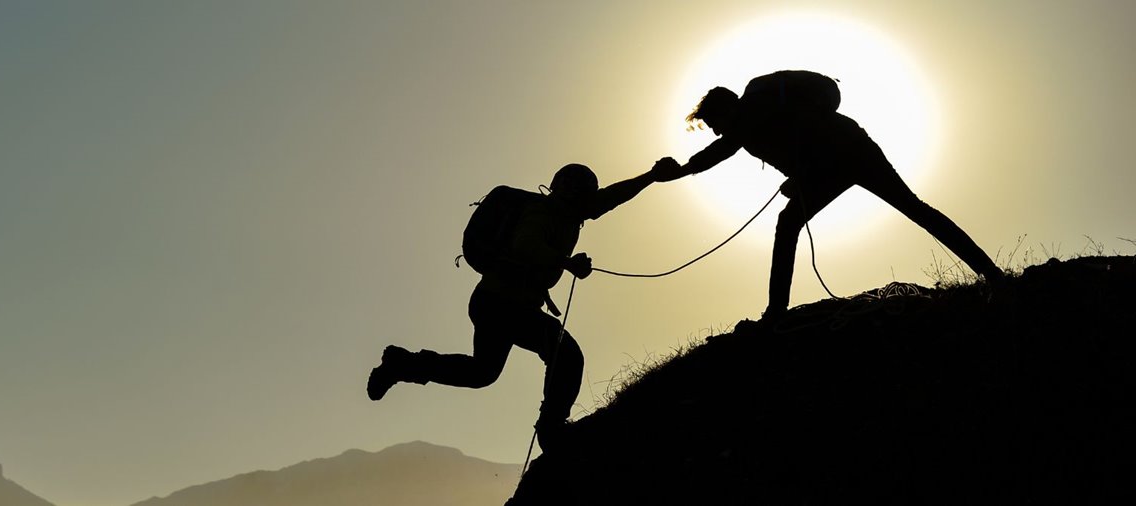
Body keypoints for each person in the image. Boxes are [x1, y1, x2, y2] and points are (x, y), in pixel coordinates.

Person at [366, 162, 681, 450]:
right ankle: (552, 430)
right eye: (581, 194)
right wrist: (566, 262)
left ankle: (403, 364)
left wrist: (650, 177)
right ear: (568, 192)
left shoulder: (570, 213)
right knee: (565, 355)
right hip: (503, 304)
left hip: (497, 303)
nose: (586, 202)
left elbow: (607, 200)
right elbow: (525, 245)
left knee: (482, 372)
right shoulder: (541, 212)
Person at [656, 70, 1004, 322]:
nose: (716, 130)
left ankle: (777, 312)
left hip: (842, 157)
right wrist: (684, 170)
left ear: (727, 108)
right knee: (916, 210)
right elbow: (725, 150)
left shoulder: (752, 112)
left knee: (789, 222)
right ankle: (992, 275)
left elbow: (734, 149)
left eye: (715, 122)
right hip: (852, 150)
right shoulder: (749, 121)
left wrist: (682, 170)